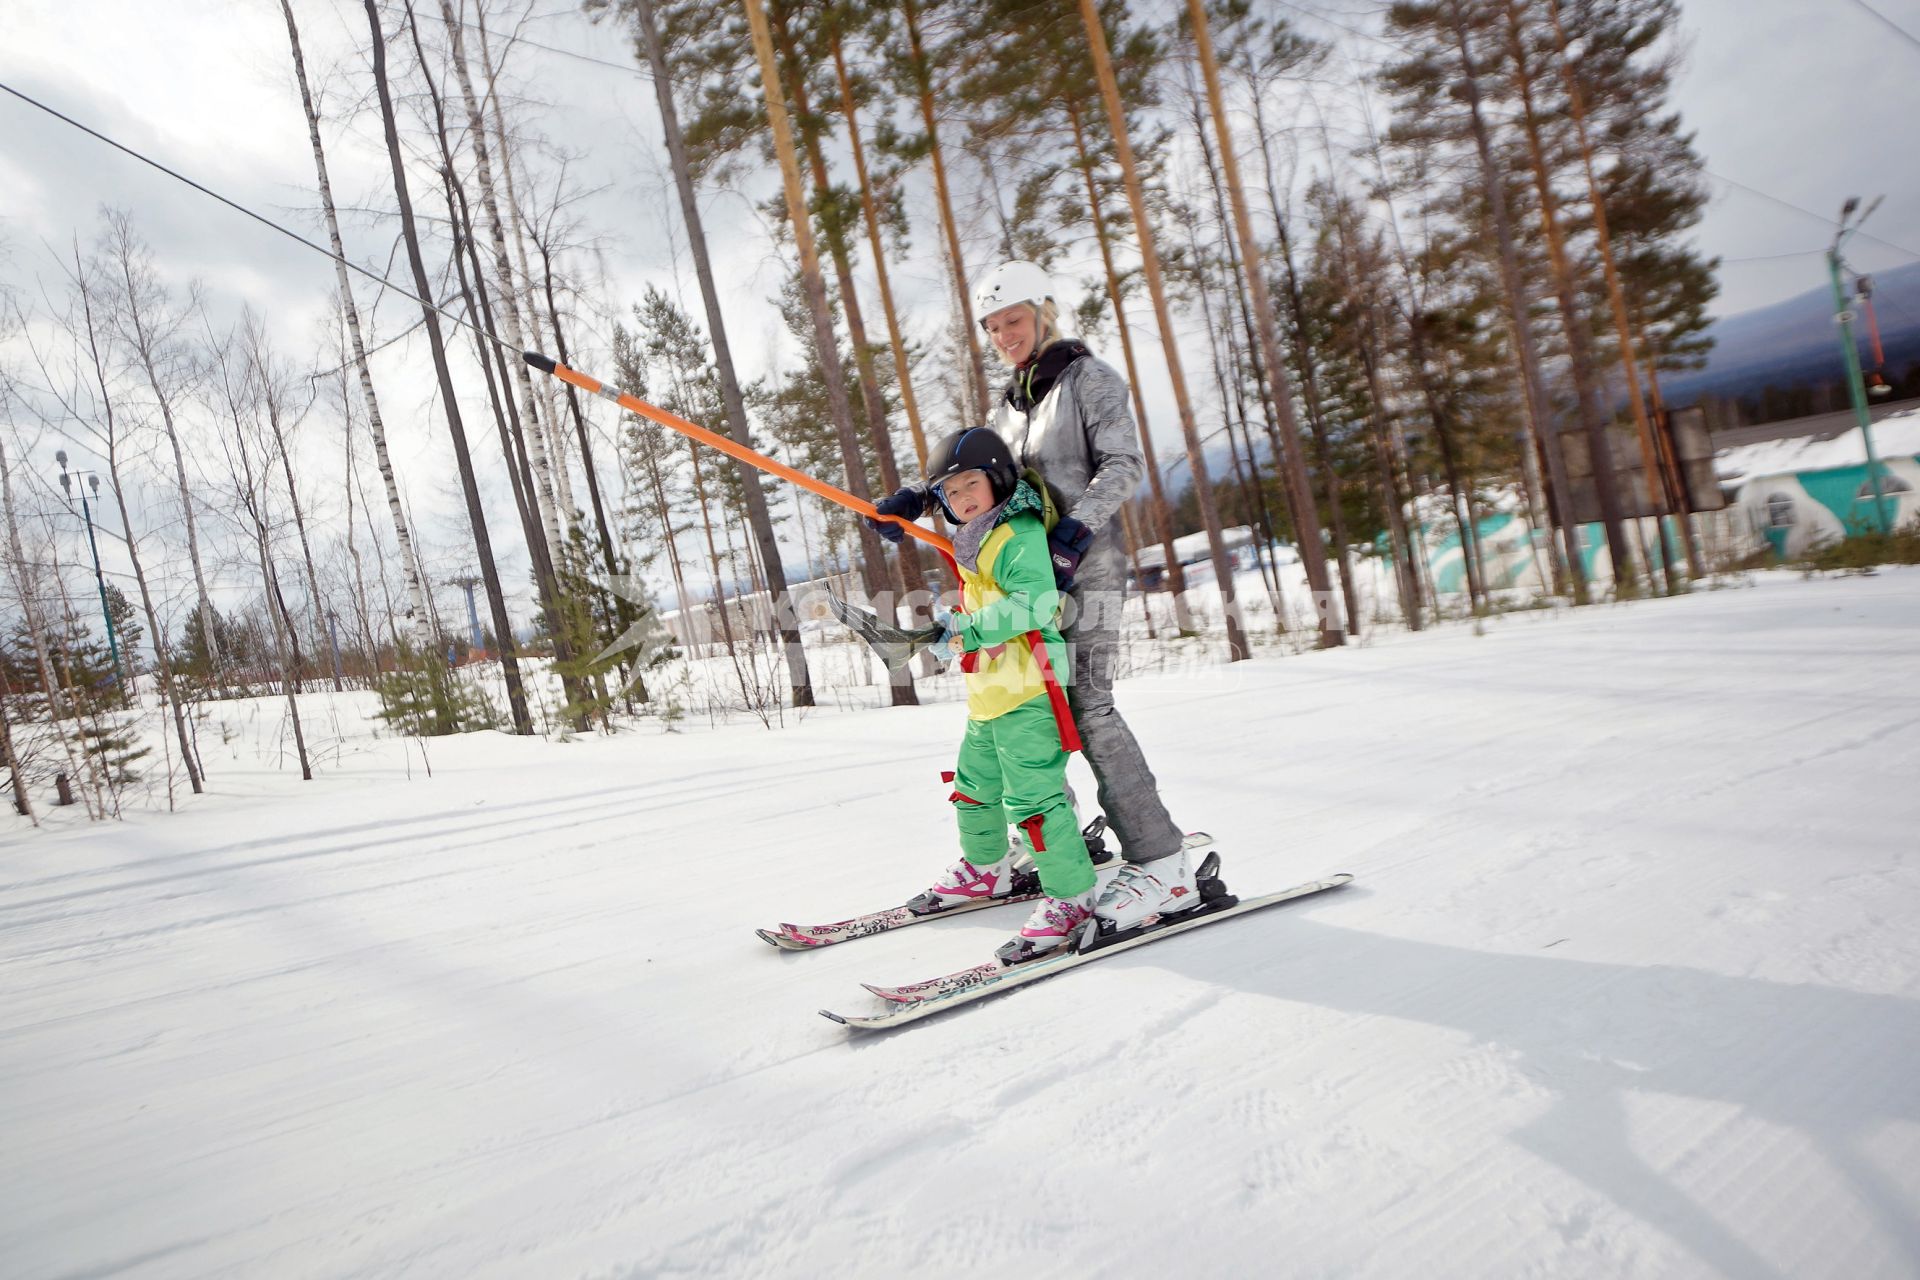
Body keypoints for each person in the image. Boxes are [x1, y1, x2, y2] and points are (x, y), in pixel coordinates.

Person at [870, 261, 1196, 932]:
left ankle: (1162, 863)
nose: (1003, 335)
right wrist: (918, 496)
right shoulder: (1010, 405)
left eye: (1013, 320)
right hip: (1027, 576)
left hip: (1087, 568)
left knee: (1090, 707)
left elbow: (1124, 463)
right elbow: (987, 475)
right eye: (991, 328)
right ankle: (1057, 846)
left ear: (1044, 311)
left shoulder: (1088, 380)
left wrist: (1076, 530)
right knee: (1033, 712)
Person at [912, 427, 1097, 964]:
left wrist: (967, 630)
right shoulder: (979, 532)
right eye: (951, 492)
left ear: (997, 480)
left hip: (1028, 690)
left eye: (972, 483)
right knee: (972, 787)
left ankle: (1072, 897)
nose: (963, 498)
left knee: (1034, 802)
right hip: (990, 695)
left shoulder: (1016, 532)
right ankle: (986, 868)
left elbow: (1037, 604)